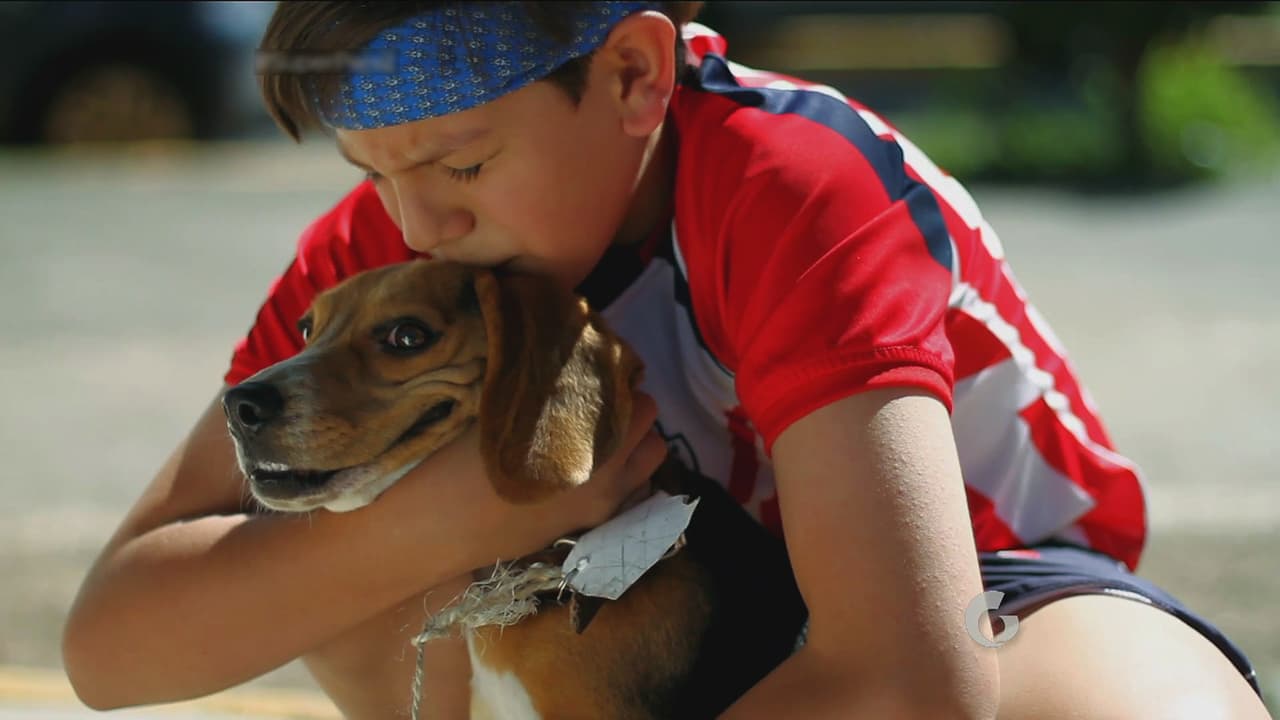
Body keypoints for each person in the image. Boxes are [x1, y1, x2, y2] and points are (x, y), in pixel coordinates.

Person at [63, 2, 1271, 718]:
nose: (416, 221)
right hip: (609, 610)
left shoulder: (788, 181)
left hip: (988, 595)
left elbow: (911, 678)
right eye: (373, 175)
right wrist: (450, 519)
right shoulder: (395, 250)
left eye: (462, 166)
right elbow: (114, 649)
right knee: (351, 564)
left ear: (633, 75)